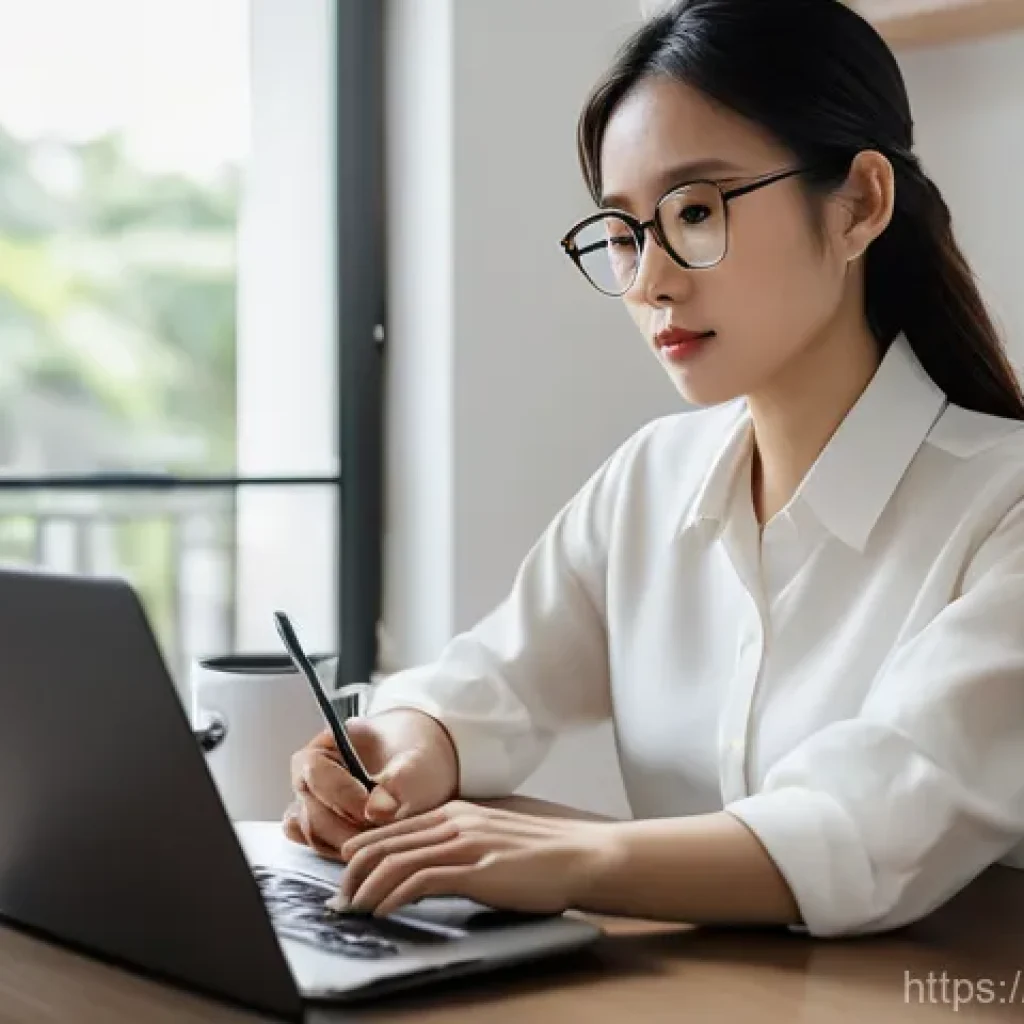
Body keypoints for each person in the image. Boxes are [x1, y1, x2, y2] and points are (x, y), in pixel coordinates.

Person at [286, 0, 1024, 937]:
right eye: (627, 232)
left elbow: (871, 827)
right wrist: (400, 749)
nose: (650, 279)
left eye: (698, 211)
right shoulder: (653, 480)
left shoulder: (1005, 506)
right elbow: (493, 683)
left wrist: (572, 859)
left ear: (860, 204)